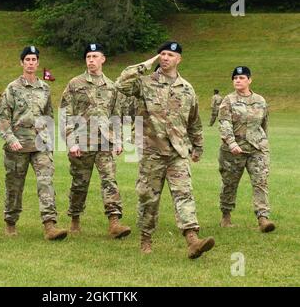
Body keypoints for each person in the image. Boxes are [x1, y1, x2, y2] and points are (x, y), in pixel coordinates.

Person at [115, 41, 215, 258]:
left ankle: (192, 240)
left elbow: (194, 121)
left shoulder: (187, 88)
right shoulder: (145, 83)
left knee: (184, 195)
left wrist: (197, 146)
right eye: (162, 54)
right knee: (148, 198)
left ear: (179, 59)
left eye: (170, 54)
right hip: (151, 151)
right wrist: (147, 63)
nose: (165, 58)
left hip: (178, 152)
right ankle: (146, 239)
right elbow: (121, 83)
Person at [60, 43, 131, 239]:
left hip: (105, 143)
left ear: (103, 59)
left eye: (94, 56)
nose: (91, 60)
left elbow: (117, 115)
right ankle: (75, 217)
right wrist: (71, 141)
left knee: (109, 180)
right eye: (88, 57)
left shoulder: (112, 87)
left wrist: (118, 140)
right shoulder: (75, 84)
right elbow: (66, 114)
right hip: (81, 142)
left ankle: (114, 221)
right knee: (79, 184)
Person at [0, 46, 67, 241]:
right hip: (18, 144)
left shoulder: (45, 88)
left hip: (40, 144)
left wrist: (50, 141)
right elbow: (2, 117)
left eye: (33, 59)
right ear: (21, 63)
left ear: (37, 63)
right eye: (27, 59)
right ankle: (10, 222)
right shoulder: (12, 88)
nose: (30, 63)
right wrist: (10, 140)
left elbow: (48, 116)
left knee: (46, 181)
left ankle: (49, 225)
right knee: (15, 185)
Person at [218, 66, 275, 233]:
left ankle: (263, 218)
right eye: (235, 78)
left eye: (242, 78)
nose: (237, 80)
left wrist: (264, 142)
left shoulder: (260, 100)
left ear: (249, 80)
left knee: (261, 181)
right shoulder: (228, 100)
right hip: (234, 150)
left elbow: (264, 124)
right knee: (229, 183)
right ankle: (226, 217)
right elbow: (224, 123)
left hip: (257, 149)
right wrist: (231, 143)